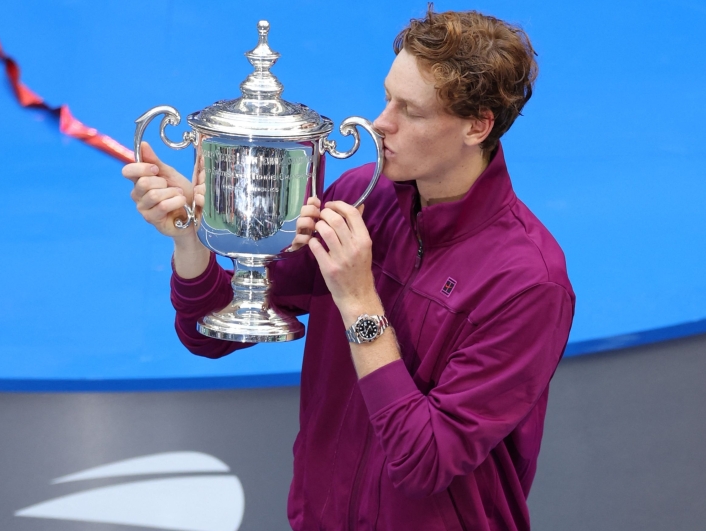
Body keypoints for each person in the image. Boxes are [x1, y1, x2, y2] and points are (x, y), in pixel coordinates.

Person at [123, 7, 574, 531]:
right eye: (387, 97)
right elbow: (212, 334)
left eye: (411, 110)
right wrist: (192, 239)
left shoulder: (527, 282)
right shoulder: (358, 197)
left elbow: (424, 461)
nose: (383, 123)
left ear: (477, 126)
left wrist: (358, 300)